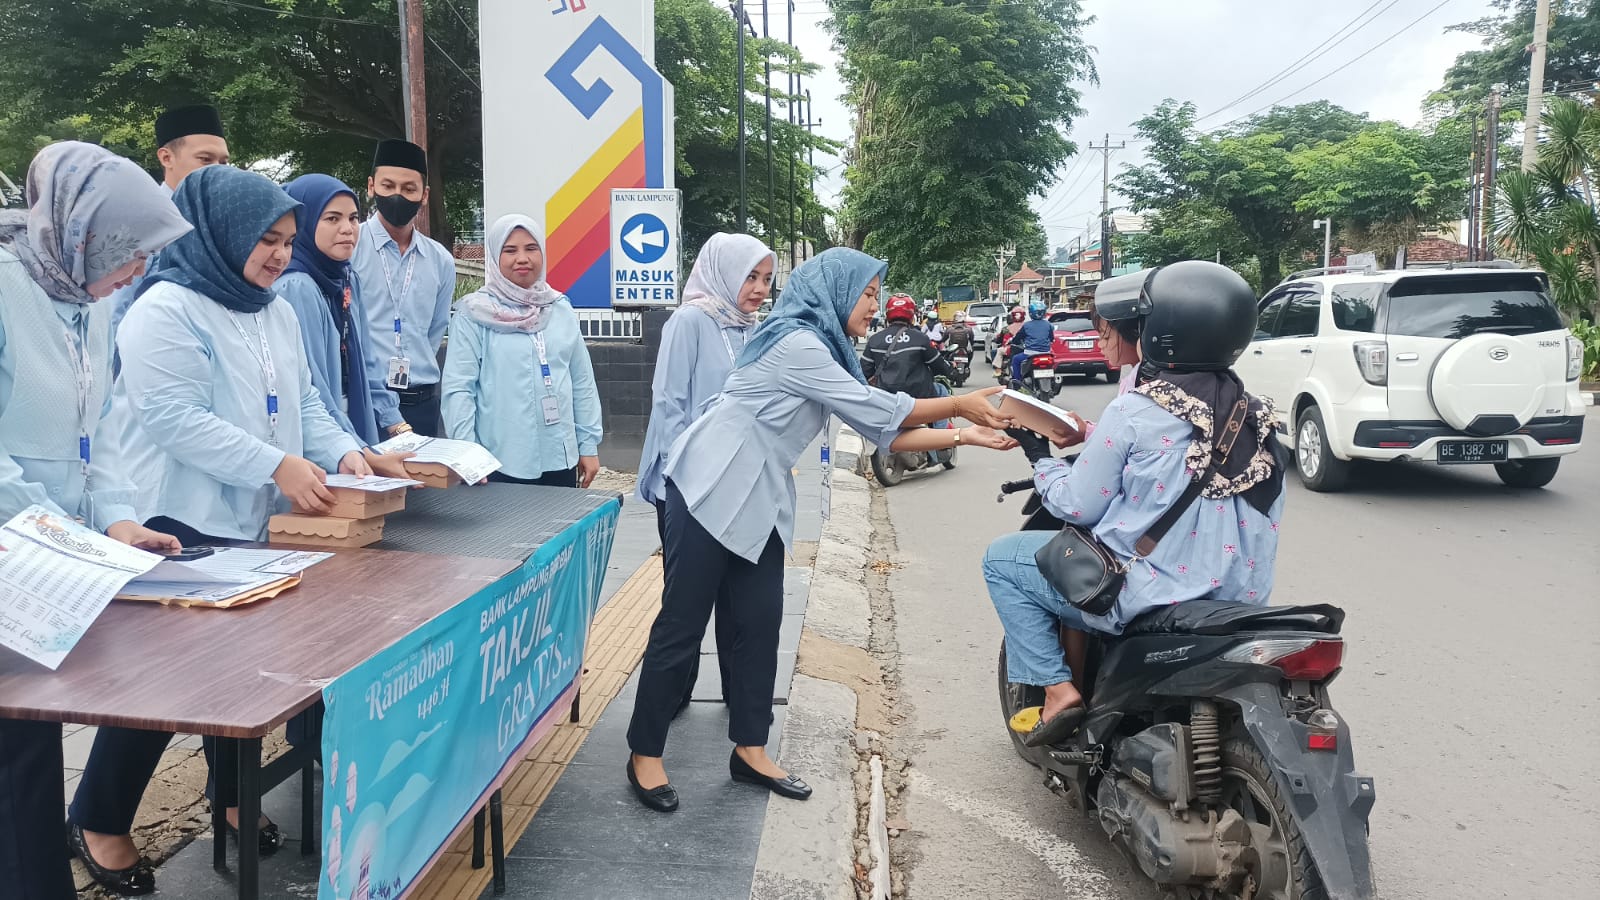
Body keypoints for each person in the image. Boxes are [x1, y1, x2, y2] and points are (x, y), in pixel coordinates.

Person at [624, 248, 1021, 814]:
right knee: (682, 625)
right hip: (709, 488)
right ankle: (645, 754)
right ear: (833, 293)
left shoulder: (823, 347)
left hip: (758, 496)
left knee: (760, 624)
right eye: (866, 293)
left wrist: (966, 436)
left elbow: (878, 427)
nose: (875, 305)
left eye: (878, 294)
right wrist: (957, 403)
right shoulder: (797, 344)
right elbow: (876, 406)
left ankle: (751, 750)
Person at [76, 165, 375, 878]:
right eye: (264, 239)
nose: (277, 254)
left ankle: (233, 796)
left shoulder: (269, 306)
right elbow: (173, 417)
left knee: (234, 676)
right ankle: (96, 817)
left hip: (248, 517)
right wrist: (277, 465)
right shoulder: (166, 307)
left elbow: (302, 398)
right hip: (173, 515)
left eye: (285, 240)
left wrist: (340, 449)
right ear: (219, 234)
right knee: (159, 682)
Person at [982, 261, 1287, 746]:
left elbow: (1075, 506)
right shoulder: (1259, 418)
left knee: (1000, 559)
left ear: (1161, 332)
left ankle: (1060, 693)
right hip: (1239, 603)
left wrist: (1040, 455)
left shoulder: (1137, 410)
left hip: (1146, 594)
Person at [0, 141, 191, 899]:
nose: (136, 269)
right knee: (17, 752)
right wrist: (59, 535)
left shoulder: (91, 296)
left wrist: (114, 519)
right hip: (22, 552)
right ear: (83, 234)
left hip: (54, 565)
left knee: (32, 745)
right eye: (128, 250)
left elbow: (102, 426)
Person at [638, 232, 774, 712]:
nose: (758, 289)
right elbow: (670, 405)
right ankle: (674, 693)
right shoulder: (690, 321)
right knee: (687, 600)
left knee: (738, 601)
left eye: (765, 279)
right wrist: (687, 479)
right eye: (749, 276)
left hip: (738, 483)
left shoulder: (753, 328)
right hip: (689, 485)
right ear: (724, 272)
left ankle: (739, 697)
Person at [442, 214, 602, 487]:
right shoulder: (474, 314)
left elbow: (581, 381)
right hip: (498, 460)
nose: (522, 258)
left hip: (559, 455)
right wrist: (467, 454)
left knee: (557, 529)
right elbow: (459, 389)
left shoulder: (559, 308)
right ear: (495, 257)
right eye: (510, 250)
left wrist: (588, 445)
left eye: (531, 248)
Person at [276, 174, 416, 460]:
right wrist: (356, 449)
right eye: (332, 219)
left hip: (349, 424)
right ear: (302, 223)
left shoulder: (345, 277)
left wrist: (395, 422)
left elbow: (366, 359)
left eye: (353, 218)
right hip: (320, 436)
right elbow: (312, 385)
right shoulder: (297, 286)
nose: (348, 229)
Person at [352, 139, 456, 437]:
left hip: (421, 403)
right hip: (366, 401)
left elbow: (435, 329)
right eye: (388, 186)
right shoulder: (351, 247)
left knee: (423, 484)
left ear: (424, 195)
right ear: (371, 187)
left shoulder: (440, 260)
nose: (397, 195)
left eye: (409, 189)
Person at [109, 103, 230, 334]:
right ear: (166, 158)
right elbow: (115, 313)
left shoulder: (219, 222)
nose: (218, 171)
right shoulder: (139, 222)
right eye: (205, 159)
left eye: (223, 162)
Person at [862, 293, 952, 399]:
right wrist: (950, 368)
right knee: (942, 389)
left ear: (888, 313)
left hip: (886, 397)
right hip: (919, 397)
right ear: (911, 314)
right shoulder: (920, 338)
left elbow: (864, 371)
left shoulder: (874, 340)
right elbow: (940, 367)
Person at [1007, 299, 1054, 382]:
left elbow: (1017, 338)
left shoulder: (1027, 325)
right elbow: (1051, 338)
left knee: (1015, 359)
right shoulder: (1048, 324)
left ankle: (1017, 382)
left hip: (1030, 354)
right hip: (1046, 353)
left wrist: (1013, 341)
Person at [993, 306, 1025, 374]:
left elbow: (999, 338)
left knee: (999, 350)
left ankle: (997, 371)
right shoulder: (1027, 326)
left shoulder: (1006, 328)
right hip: (1025, 349)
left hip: (1011, 349)